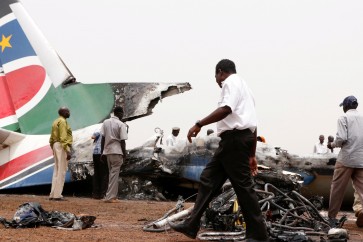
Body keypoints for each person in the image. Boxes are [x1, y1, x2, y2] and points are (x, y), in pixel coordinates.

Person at [168, 59, 269, 242]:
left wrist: (199, 124)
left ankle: (258, 235)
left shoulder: (230, 82)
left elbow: (225, 109)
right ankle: (191, 224)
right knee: (208, 179)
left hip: (234, 141)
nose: (217, 81)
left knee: (244, 188)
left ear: (220, 72)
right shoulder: (246, 88)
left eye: (216, 76)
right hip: (237, 141)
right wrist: (252, 154)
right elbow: (254, 125)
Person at [327, 96, 363, 227]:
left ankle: (331, 218)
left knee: (337, 189)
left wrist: (332, 144)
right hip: (361, 159)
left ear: (346, 106)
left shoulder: (344, 118)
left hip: (346, 159)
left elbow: (341, 138)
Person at [101, 106, 128, 203]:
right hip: (117, 151)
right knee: (114, 175)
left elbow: (103, 138)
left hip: (107, 151)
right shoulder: (121, 124)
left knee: (111, 174)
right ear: (120, 113)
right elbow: (122, 141)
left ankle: (113, 196)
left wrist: (102, 152)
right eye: (122, 113)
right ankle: (110, 197)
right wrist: (124, 154)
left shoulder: (105, 122)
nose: (122, 115)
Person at [49, 107, 72, 201]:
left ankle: (53, 194)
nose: (69, 112)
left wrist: (53, 149)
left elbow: (51, 138)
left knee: (56, 171)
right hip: (62, 145)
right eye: (68, 111)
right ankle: (57, 195)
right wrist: (67, 150)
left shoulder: (55, 121)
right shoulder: (63, 122)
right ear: (63, 112)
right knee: (62, 170)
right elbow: (63, 137)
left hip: (55, 145)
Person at [91, 130, 109, 199]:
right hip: (102, 153)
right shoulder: (108, 132)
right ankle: (102, 194)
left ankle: (95, 194)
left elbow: (93, 136)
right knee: (104, 173)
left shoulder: (100, 131)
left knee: (97, 173)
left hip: (95, 153)